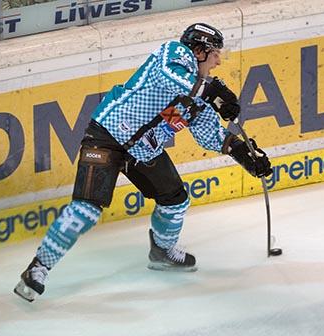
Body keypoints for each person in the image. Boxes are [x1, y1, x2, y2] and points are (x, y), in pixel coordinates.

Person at [14, 23, 272, 302]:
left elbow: (212, 135)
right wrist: (210, 91)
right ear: (198, 51)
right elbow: (169, 76)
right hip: (107, 136)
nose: (219, 60)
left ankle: (162, 251)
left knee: (175, 200)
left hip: (143, 152)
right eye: (214, 54)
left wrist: (244, 153)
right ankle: (38, 268)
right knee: (86, 210)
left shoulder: (198, 95)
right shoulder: (174, 53)